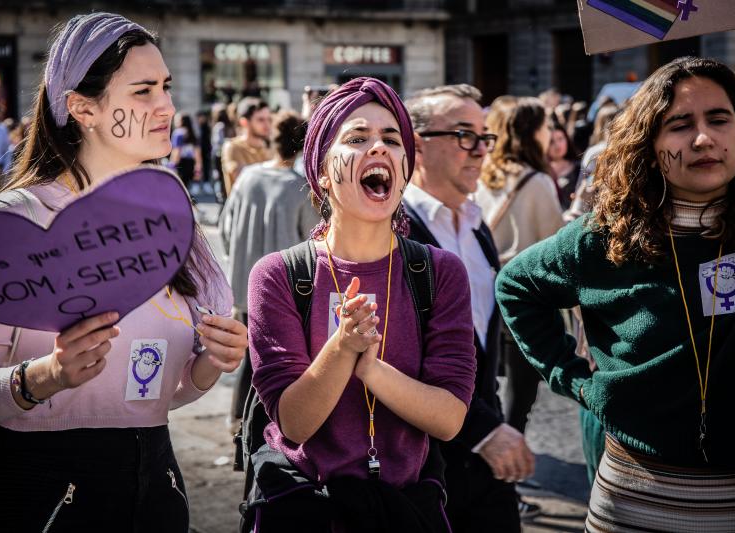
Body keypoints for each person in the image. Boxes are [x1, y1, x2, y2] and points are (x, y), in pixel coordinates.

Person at [0, 13, 247, 532]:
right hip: (43, 498)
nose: (166, 106)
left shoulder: (169, 215)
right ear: (82, 108)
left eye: (165, 86)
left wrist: (210, 364)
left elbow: (156, 390)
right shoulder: (14, 223)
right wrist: (45, 377)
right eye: (142, 91)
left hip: (159, 487)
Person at [496, 56, 735, 532]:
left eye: (718, 118)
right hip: (633, 505)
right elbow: (515, 286)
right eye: (679, 124)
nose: (703, 138)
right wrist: (576, 380)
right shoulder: (605, 237)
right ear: (649, 144)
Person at [245, 77, 477, 532]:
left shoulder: (440, 273)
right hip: (306, 510)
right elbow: (294, 423)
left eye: (392, 139)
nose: (379, 148)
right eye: (357, 138)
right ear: (323, 172)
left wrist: (372, 369)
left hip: (406, 511)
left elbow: (449, 419)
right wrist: (343, 347)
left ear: (405, 167)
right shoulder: (277, 275)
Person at [402, 84, 533, 532]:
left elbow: (479, 346)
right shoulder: (394, 230)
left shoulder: (477, 228)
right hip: (422, 459)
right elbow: (398, 351)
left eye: (485, 136)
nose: (480, 150)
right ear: (417, 146)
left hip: (482, 458)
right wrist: (483, 431)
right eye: (464, 135)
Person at [219, 109, 319, 424]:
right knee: (273, 362)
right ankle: (251, 424)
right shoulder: (302, 188)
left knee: (252, 355)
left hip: (245, 282)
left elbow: (224, 228)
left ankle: (238, 419)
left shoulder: (248, 176)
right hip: (286, 290)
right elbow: (314, 244)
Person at [474, 96, 565, 443]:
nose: (550, 132)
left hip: (483, 292)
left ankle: (490, 463)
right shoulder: (537, 181)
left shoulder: (482, 175)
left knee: (485, 384)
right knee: (520, 392)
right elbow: (556, 249)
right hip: (524, 299)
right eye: (546, 125)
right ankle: (508, 474)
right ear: (531, 132)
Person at [221, 96, 271, 196]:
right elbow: (246, 183)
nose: (267, 124)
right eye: (260, 120)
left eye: (269, 119)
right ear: (244, 122)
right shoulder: (232, 147)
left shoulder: (270, 147)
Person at [547, 116, 581, 210]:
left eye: (560, 139)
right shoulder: (541, 172)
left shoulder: (580, 168)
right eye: (551, 142)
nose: (557, 145)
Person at [169, 112, 203, 194]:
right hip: (191, 163)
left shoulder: (178, 133)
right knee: (186, 188)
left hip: (180, 163)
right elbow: (197, 152)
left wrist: (172, 165)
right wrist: (198, 168)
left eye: (176, 119)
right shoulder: (192, 133)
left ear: (181, 121)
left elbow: (177, 150)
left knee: (178, 189)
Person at [210, 103, 235, 202]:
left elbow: (217, 142)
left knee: (219, 177)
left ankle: (221, 196)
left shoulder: (219, 126)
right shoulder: (230, 126)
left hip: (219, 155)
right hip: (228, 154)